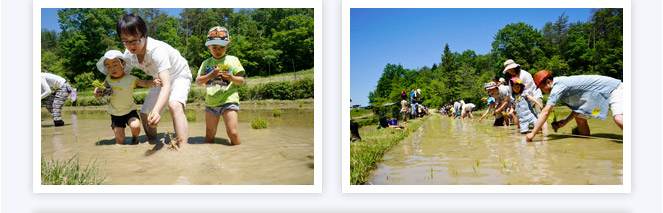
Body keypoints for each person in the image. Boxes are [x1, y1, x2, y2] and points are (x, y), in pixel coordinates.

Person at [117, 13, 193, 147]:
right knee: (145, 114)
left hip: (179, 74)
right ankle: (153, 142)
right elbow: (121, 77)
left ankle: (183, 149)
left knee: (174, 105)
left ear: (144, 35)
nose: (131, 45)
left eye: (135, 40)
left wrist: (157, 111)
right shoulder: (128, 55)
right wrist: (105, 88)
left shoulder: (157, 50)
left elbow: (167, 84)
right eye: (126, 41)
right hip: (159, 79)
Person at [526, 70, 623, 141]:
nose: (542, 92)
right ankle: (585, 144)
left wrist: (533, 133)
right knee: (580, 118)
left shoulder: (558, 87)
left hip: (613, 89)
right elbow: (581, 107)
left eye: (542, 88)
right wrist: (566, 121)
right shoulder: (561, 86)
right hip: (598, 97)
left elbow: (545, 112)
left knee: (618, 118)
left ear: (548, 82)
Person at [94, 50, 160, 144]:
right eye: (108, 67)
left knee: (135, 126)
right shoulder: (108, 80)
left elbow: (144, 83)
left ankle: (134, 138)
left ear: (123, 64)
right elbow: (100, 89)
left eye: (115, 64)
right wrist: (97, 91)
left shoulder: (130, 79)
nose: (112, 69)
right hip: (116, 114)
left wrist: (153, 81)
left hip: (130, 111)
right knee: (120, 140)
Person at [195, 26, 245, 145]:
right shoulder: (206, 63)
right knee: (209, 134)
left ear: (228, 44)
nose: (218, 50)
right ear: (208, 47)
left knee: (232, 132)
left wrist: (231, 77)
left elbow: (241, 80)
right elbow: (198, 81)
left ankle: (238, 155)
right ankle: (209, 157)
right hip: (211, 102)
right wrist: (210, 75)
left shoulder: (233, 60)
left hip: (229, 100)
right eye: (214, 47)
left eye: (222, 47)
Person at [503, 59, 547, 132]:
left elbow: (529, 91)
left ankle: (545, 133)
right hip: (522, 99)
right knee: (519, 116)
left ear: (514, 67)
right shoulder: (511, 79)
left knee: (539, 114)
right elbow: (511, 93)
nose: (510, 72)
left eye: (511, 70)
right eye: (508, 71)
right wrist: (511, 106)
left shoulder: (525, 74)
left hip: (534, 95)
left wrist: (538, 103)